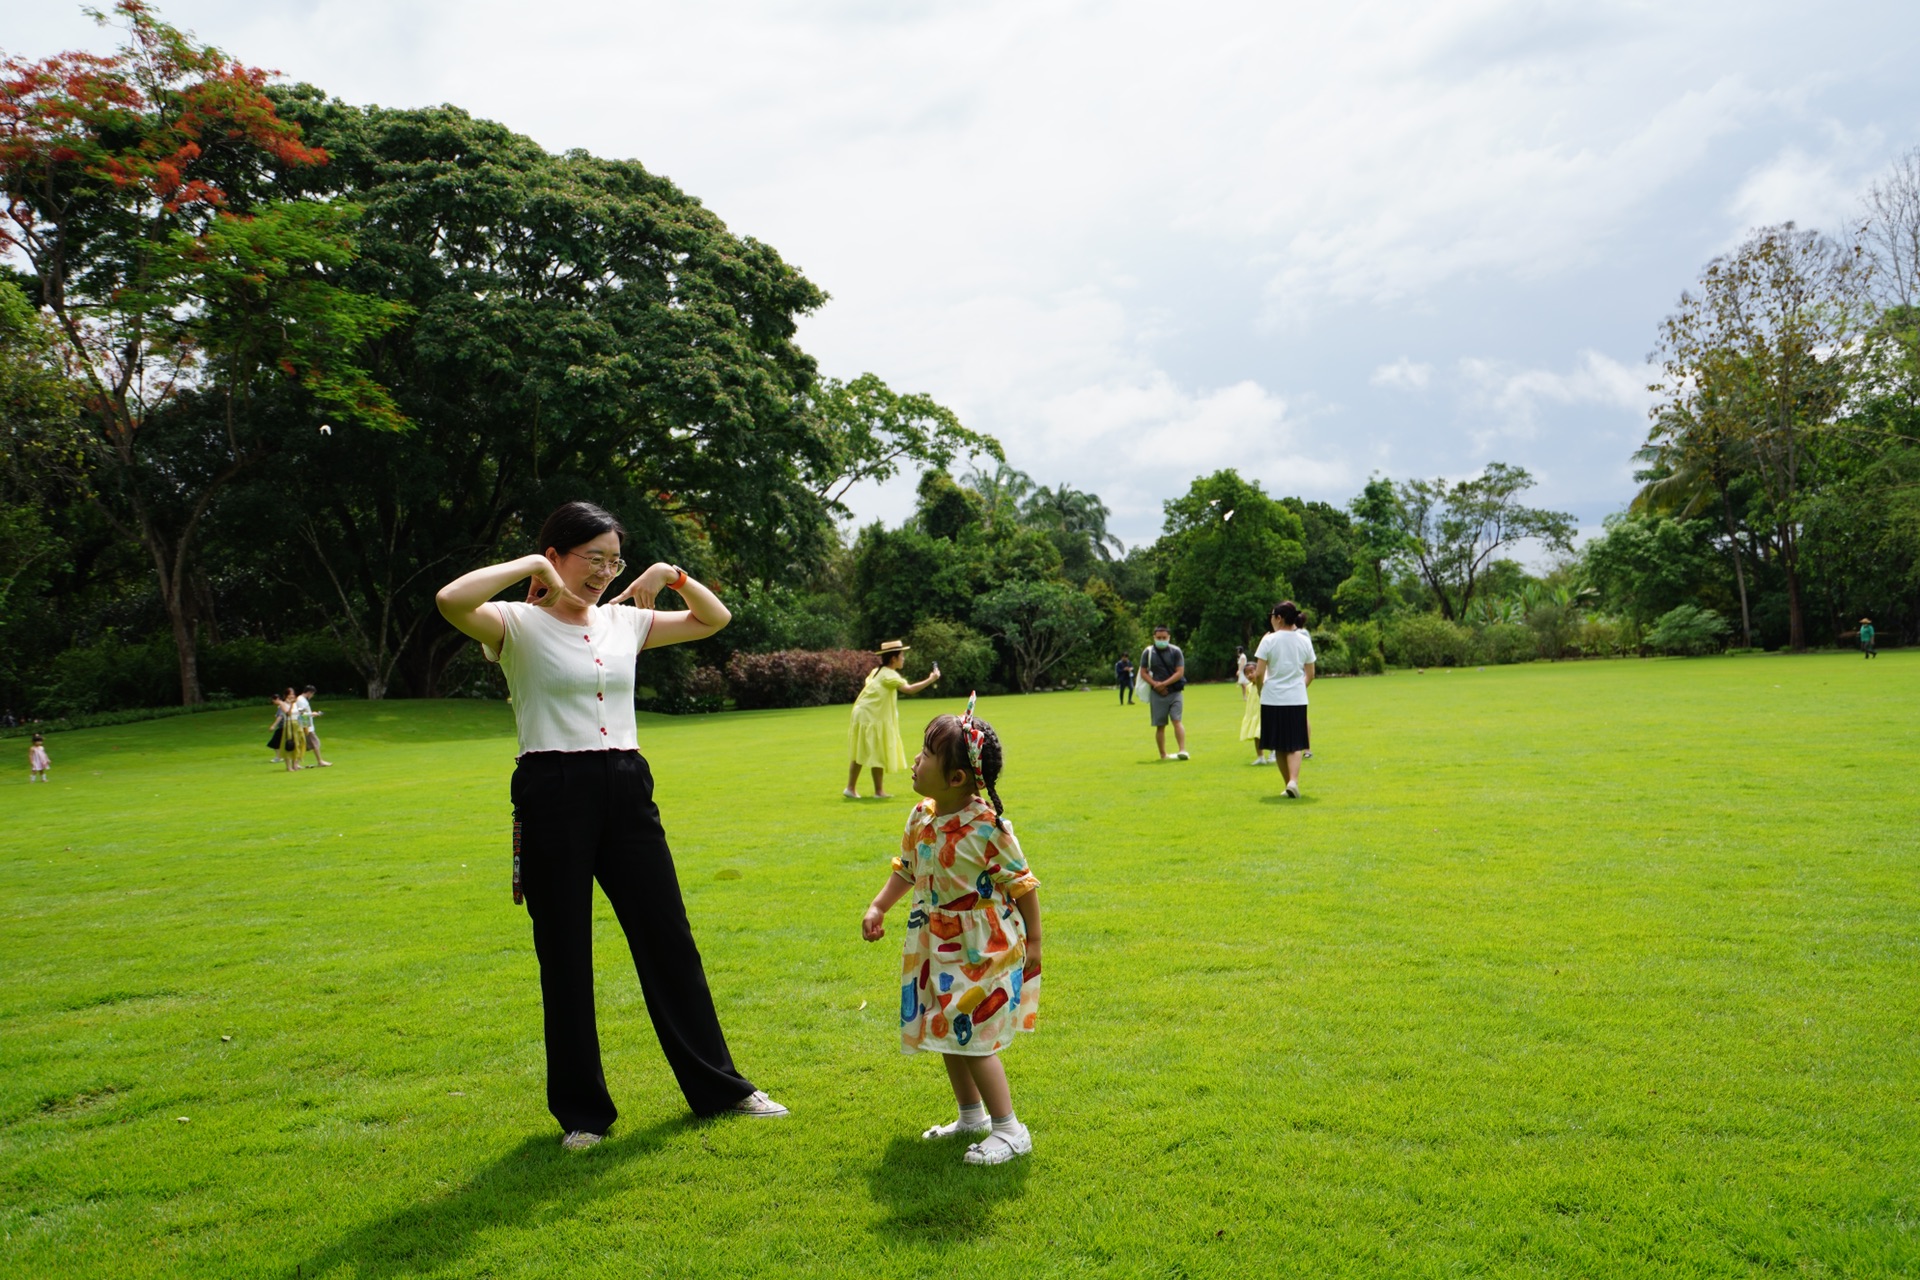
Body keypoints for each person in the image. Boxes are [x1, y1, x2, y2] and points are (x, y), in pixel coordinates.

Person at [436, 500, 785, 1149]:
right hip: (552, 790)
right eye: (591, 558)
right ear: (558, 554)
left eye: (613, 560)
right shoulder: (514, 623)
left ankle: (721, 1087)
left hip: (627, 786)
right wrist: (531, 566)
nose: (603, 572)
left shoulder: (625, 622)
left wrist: (667, 575)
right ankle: (583, 1114)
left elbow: (716, 619)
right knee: (565, 954)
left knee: (668, 939)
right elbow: (450, 598)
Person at [861, 698, 1043, 1166]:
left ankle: (1010, 1129)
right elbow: (907, 869)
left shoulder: (988, 828)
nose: (916, 760)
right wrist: (880, 905)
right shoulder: (921, 816)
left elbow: (1022, 884)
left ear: (957, 778)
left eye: (926, 753)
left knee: (975, 1036)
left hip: (983, 948)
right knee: (946, 1029)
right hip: (934, 942)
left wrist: (1036, 941)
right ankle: (972, 1117)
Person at [846, 640, 939, 799]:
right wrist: (932, 678)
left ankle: (858, 789)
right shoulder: (889, 675)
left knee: (864, 752)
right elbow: (909, 690)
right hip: (870, 717)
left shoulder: (877, 671)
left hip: (865, 715)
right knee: (873, 751)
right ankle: (873, 791)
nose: (903, 658)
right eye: (901, 655)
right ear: (893, 659)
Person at [1248, 601, 1316, 798]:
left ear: (1278, 618)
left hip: (1272, 698)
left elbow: (1259, 672)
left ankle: (1289, 783)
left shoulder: (1268, 640)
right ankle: (1292, 782)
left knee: (1278, 744)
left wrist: (1262, 690)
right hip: (1296, 697)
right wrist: (1297, 688)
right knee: (1295, 743)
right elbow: (1310, 673)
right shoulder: (1303, 640)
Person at [1140, 625, 1189, 760]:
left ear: (1169, 637)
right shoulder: (1148, 652)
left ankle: (1182, 750)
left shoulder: (1176, 651)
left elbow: (1180, 672)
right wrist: (1156, 684)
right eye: (1159, 638)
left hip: (1175, 692)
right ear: (1154, 637)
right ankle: (1163, 754)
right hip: (1157, 693)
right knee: (1160, 725)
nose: (1161, 640)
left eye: (1164, 638)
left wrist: (1164, 684)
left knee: (1176, 720)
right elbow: (1143, 672)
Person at [1237, 648, 1270, 765]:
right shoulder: (1250, 687)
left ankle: (1273, 753)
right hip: (1254, 715)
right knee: (1256, 736)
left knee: (1268, 733)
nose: (1250, 675)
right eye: (1246, 674)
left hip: (1264, 714)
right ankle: (1260, 757)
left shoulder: (1265, 684)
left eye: (1252, 672)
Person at [292, 686, 331, 767]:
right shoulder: (301, 700)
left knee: (305, 745)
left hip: (306, 725)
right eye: (312, 694)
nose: (312, 696)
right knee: (315, 743)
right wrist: (312, 715)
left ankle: (296, 763)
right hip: (306, 725)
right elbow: (301, 713)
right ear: (309, 692)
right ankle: (319, 761)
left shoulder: (301, 699)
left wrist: (312, 714)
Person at [267, 690, 291, 763]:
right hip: (284, 726)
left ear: (277, 699)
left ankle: (279, 757)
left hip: (282, 727)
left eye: (273, 700)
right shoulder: (283, 705)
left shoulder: (281, 706)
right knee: (279, 743)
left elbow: (280, 716)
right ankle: (281, 756)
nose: (273, 702)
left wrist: (273, 726)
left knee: (274, 743)